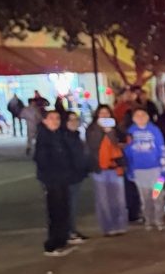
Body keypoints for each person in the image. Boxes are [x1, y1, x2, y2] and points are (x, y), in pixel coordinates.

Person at [33, 111, 75, 257]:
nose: (55, 121)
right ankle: (52, 244)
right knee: (55, 211)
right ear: (44, 121)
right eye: (51, 118)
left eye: (57, 118)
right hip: (52, 180)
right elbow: (42, 160)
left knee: (63, 209)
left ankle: (62, 239)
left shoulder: (59, 135)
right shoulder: (44, 137)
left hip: (62, 178)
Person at [86, 105, 128, 237]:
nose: (104, 116)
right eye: (101, 113)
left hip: (115, 168)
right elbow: (93, 144)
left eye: (107, 113)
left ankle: (120, 225)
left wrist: (110, 131)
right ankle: (107, 227)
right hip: (100, 168)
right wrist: (101, 129)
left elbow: (120, 143)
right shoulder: (92, 129)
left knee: (119, 199)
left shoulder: (117, 128)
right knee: (103, 200)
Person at [124, 109, 165, 231]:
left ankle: (159, 220)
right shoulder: (130, 132)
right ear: (133, 118)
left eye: (143, 114)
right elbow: (127, 152)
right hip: (139, 171)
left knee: (158, 196)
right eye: (137, 115)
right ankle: (148, 220)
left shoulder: (155, 130)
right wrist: (129, 168)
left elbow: (161, 148)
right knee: (145, 198)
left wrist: (164, 168)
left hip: (156, 170)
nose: (140, 117)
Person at [63, 112, 89, 244]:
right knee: (69, 205)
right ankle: (69, 232)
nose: (74, 122)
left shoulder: (75, 136)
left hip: (76, 176)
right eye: (70, 120)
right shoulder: (64, 137)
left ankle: (71, 230)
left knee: (72, 205)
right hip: (69, 177)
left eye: (76, 119)